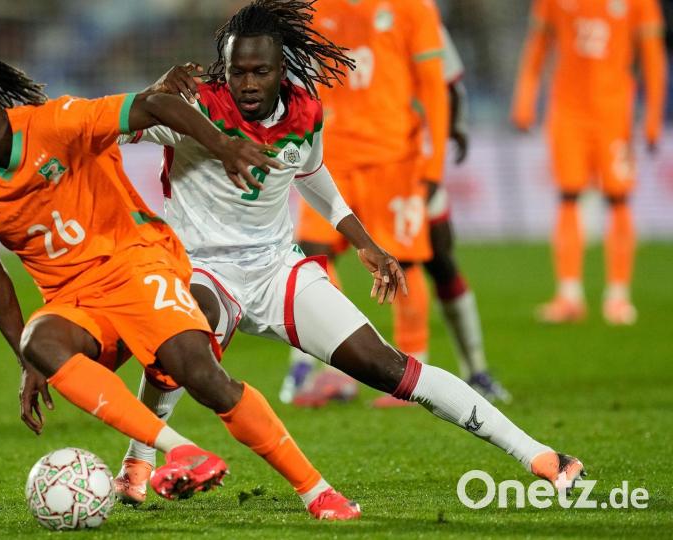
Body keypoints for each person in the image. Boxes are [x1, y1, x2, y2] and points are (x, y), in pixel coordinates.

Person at [113, 0, 583, 511]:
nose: (247, 84)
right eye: (237, 71)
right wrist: (153, 94)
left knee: (390, 368)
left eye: (260, 72)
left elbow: (313, 176)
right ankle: (139, 460)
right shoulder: (192, 106)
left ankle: (539, 456)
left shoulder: (305, 111)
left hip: (276, 271)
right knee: (188, 333)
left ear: (282, 69)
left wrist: (364, 241)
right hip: (201, 267)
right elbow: (104, 127)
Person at [0, 54, 361, 519]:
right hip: (76, 301)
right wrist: (26, 359)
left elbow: (154, 105)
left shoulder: (57, 124)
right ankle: (182, 451)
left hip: (138, 262)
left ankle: (318, 492)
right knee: (40, 340)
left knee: (200, 375)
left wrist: (222, 145)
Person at [285, 23, 510, 407]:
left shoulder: (415, 12)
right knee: (310, 255)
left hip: (405, 159)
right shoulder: (317, 11)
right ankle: (331, 367)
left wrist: (445, 143)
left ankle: (472, 369)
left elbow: (447, 83)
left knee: (436, 260)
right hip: (339, 155)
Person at [511, 0, 666, 325]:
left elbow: (652, 55)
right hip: (567, 112)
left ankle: (618, 296)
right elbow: (538, 44)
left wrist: (653, 115)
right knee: (568, 197)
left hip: (613, 112)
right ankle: (569, 295)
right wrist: (524, 97)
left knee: (618, 199)